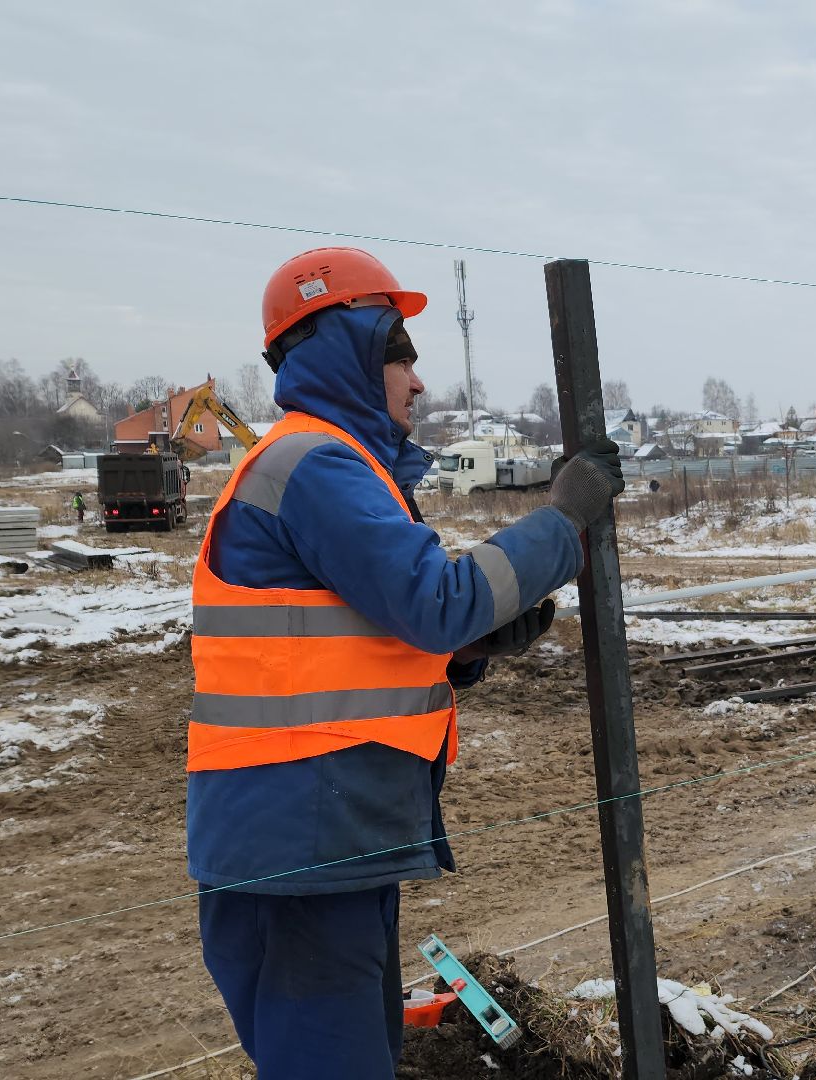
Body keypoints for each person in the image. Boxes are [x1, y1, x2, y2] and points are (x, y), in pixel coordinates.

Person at [187, 247, 624, 1079]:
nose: (418, 381)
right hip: (301, 848)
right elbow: (434, 599)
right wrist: (563, 523)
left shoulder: (328, 465)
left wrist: (462, 649)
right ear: (343, 346)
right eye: (400, 352)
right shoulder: (314, 465)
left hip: (311, 837)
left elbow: (346, 635)